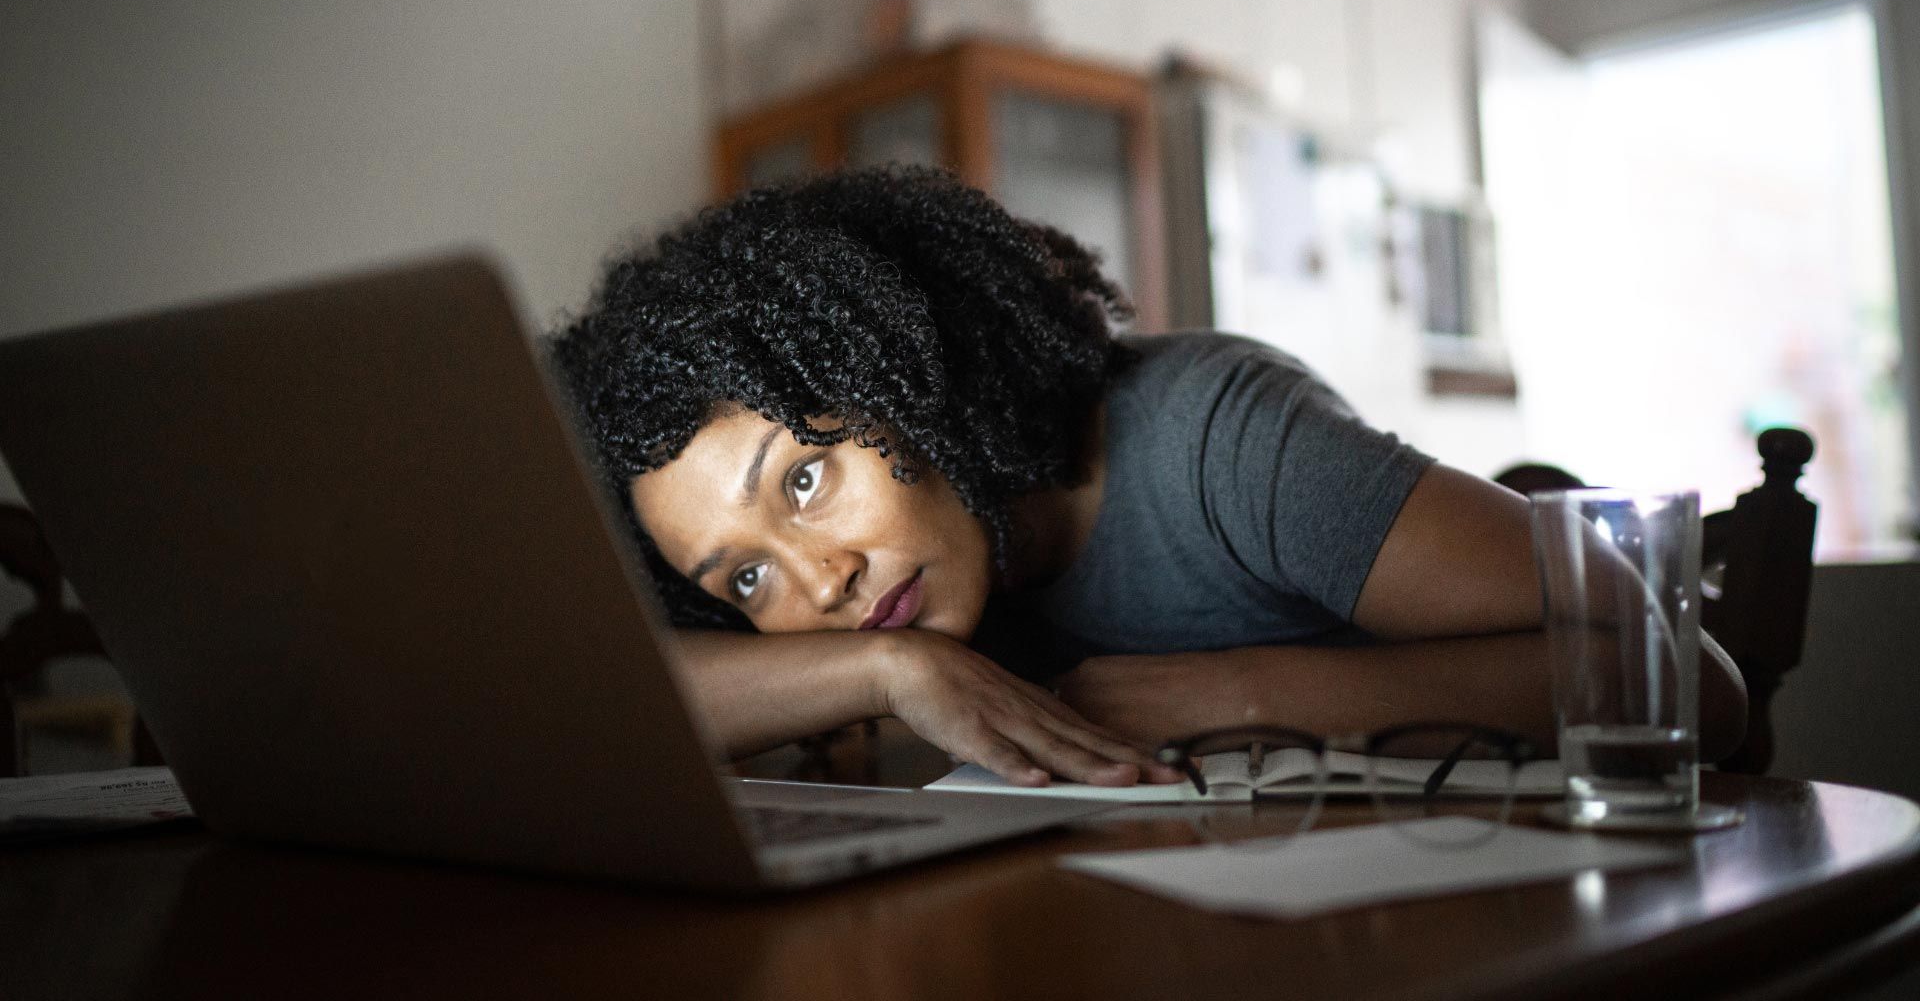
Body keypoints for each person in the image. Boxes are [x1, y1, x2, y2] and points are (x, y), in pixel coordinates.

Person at [548, 165, 1747, 789]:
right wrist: (884, 661)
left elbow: (1692, 679)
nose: (818, 581)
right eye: (744, 579)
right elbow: (603, 701)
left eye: (803, 481)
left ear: (908, 369)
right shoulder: (897, 606)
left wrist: (1222, 697)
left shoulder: (1221, 443)